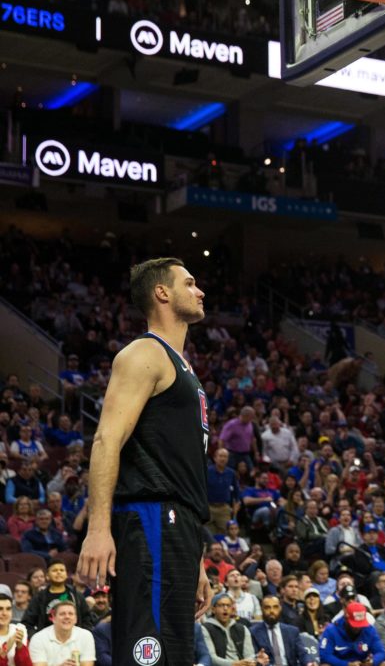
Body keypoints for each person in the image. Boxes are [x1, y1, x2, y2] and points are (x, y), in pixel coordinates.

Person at [76, 257, 213, 666]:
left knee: (173, 655)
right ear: (162, 292)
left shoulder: (182, 366)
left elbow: (182, 472)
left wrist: (197, 557)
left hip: (177, 527)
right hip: (151, 519)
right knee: (148, 655)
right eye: (189, 283)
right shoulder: (144, 354)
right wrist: (98, 528)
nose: (200, 291)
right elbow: (106, 440)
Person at [22, 561, 91, 633]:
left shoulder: (76, 595)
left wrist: (82, 636)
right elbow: (27, 623)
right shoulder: (39, 597)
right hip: (47, 638)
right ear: (47, 576)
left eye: (62, 570)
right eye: (54, 570)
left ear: (66, 575)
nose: (58, 572)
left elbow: (87, 619)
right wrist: (38, 637)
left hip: (74, 638)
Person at [319, 603, 385, 666]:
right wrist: (347, 664)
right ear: (346, 618)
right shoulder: (331, 630)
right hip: (340, 663)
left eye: (361, 624)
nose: (358, 628)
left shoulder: (369, 629)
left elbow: (380, 652)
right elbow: (324, 655)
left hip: (362, 663)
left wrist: (373, 661)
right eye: (355, 625)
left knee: (384, 664)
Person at [201, 593, 262, 666]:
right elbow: (211, 658)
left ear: (232, 609)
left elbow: (250, 655)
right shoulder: (205, 628)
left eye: (228, 605)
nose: (225, 608)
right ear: (213, 609)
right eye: (221, 605)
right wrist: (234, 664)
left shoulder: (242, 628)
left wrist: (252, 661)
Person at [26, 601, 95, 666]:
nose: (67, 617)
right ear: (53, 618)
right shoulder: (38, 639)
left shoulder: (86, 636)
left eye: (70, 614)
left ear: (76, 619)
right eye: (62, 614)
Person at [251, 596, 307, 666]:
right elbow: (253, 658)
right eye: (267, 607)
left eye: (275, 607)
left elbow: (302, 654)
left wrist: (309, 663)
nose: (272, 611)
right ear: (261, 609)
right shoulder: (254, 632)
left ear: (280, 608)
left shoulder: (292, 631)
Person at [0, 593, 30, 666]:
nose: (4, 613)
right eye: (0, 609)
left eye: (8, 609)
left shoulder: (19, 630)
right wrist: (5, 649)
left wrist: (20, 647)